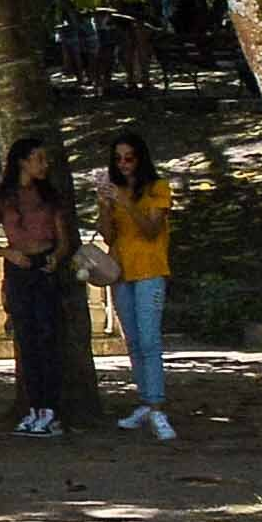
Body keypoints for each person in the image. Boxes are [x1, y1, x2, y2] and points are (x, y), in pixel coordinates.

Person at [0, 137, 82, 436]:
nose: (44, 164)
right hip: (18, 268)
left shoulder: (50, 197)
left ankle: (51, 410)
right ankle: (33, 408)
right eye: (38, 159)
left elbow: (64, 239)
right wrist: (8, 252)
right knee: (26, 340)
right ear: (22, 161)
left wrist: (55, 257)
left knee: (48, 337)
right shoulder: (1, 198)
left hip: (43, 266)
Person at [97, 131, 178, 438]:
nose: (123, 164)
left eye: (128, 158)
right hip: (120, 272)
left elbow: (150, 230)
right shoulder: (114, 191)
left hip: (150, 270)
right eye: (118, 159)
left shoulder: (157, 188)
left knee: (149, 340)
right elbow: (107, 235)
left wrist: (126, 202)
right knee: (132, 341)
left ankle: (157, 407)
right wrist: (106, 205)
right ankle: (145, 400)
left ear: (140, 158)